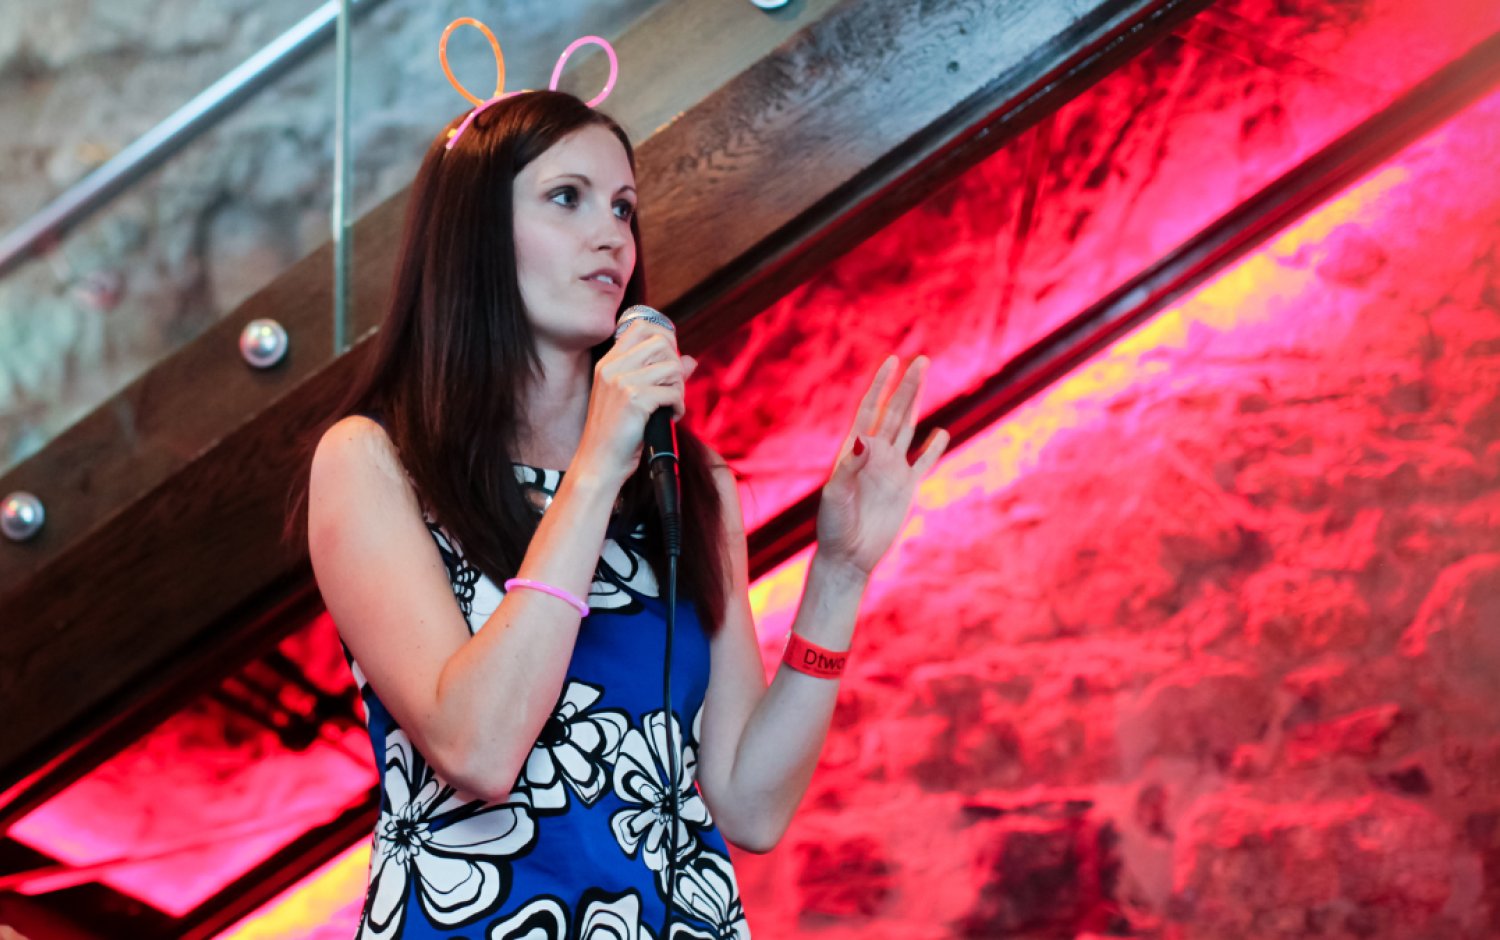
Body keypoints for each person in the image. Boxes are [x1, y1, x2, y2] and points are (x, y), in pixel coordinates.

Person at [296, 85, 948, 940]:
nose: (611, 235)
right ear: (474, 233)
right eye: (567, 197)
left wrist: (840, 576)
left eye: (623, 208)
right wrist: (598, 460)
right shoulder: (374, 462)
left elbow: (749, 807)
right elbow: (478, 751)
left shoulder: (690, 480)